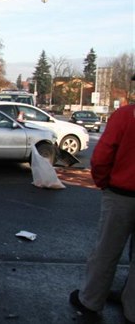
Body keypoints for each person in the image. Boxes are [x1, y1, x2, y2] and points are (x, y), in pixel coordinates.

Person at [69, 99, 135, 323]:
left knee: (106, 250)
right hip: (121, 190)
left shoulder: (126, 115)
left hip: (121, 193)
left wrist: (104, 182)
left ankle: (91, 299)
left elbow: (103, 154)